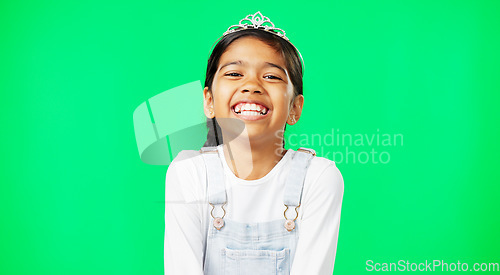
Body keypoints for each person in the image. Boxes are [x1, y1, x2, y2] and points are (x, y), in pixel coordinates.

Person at [164, 11, 344, 275]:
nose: (252, 85)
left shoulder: (319, 178)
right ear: (209, 101)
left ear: (295, 108)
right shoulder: (189, 172)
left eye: (271, 77)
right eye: (235, 74)